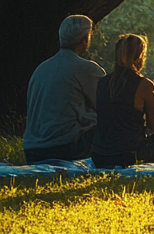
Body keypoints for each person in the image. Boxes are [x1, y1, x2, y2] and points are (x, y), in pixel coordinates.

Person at [90, 34, 154, 169]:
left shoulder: (102, 82)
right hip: (128, 154)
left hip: (99, 155)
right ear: (140, 56)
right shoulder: (144, 85)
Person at [22, 15, 104, 164]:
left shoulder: (41, 69)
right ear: (85, 40)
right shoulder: (86, 68)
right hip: (64, 148)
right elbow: (108, 107)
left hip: (32, 151)